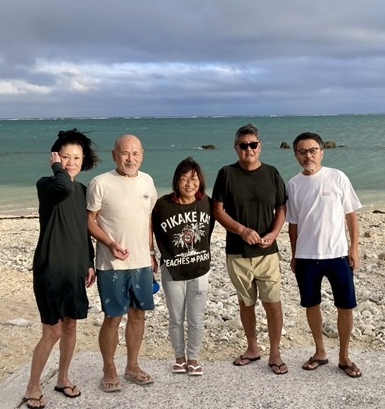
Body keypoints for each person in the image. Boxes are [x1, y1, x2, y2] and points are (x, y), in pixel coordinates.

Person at [24, 129, 99, 409]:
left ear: (84, 160)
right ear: (55, 157)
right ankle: (32, 386)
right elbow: (63, 187)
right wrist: (57, 168)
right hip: (51, 268)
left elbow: (83, 230)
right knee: (52, 331)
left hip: (74, 269)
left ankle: (63, 378)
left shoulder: (82, 190)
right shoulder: (48, 185)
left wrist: (89, 262)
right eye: (65, 156)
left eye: (77, 157)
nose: (71, 162)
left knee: (70, 326)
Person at [211, 123, 288, 375]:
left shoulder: (272, 173)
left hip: (268, 252)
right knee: (246, 303)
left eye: (253, 144)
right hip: (237, 252)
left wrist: (273, 234)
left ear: (260, 146)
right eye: (243, 145)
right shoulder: (226, 174)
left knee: (273, 303)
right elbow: (217, 210)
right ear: (236, 148)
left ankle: (275, 352)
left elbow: (281, 208)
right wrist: (241, 230)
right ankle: (252, 348)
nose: (248, 149)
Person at [286, 132, 363, 378]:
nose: (308, 156)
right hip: (306, 257)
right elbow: (293, 224)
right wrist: (294, 255)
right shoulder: (293, 184)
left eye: (313, 150)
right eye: (302, 152)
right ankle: (320, 352)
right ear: (296, 155)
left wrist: (353, 248)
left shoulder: (337, 177)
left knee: (346, 306)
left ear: (322, 152)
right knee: (311, 304)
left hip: (338, 255)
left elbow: (351, 215)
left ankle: (344, 356)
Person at [87, 134, 158, 392]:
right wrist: (110, 243)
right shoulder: (100, 183)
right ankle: (109, 368)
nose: (130, 159)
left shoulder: (147, 181)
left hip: (141, 262)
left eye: (135, 153)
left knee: (138, 315)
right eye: (125, 153)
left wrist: (151, 253)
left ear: (142, 155)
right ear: (114, 155)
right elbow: (89, 221)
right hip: (112, 265)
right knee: (113, 317)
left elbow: (148, 220)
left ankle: (132, 366)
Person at [152, 157, 215, 376]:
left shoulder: (207, 203)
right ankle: (179, 358)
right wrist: (151, 253)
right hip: (172, 270)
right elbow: (148, 228)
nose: (189, 184)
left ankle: (194, 358)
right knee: (176, 318)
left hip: (200, 270)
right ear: (176, 180)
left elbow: (212, 227)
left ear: (201, 181)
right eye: (184, 178)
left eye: (194, 179)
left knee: (196, 318)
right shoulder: (162, 205)